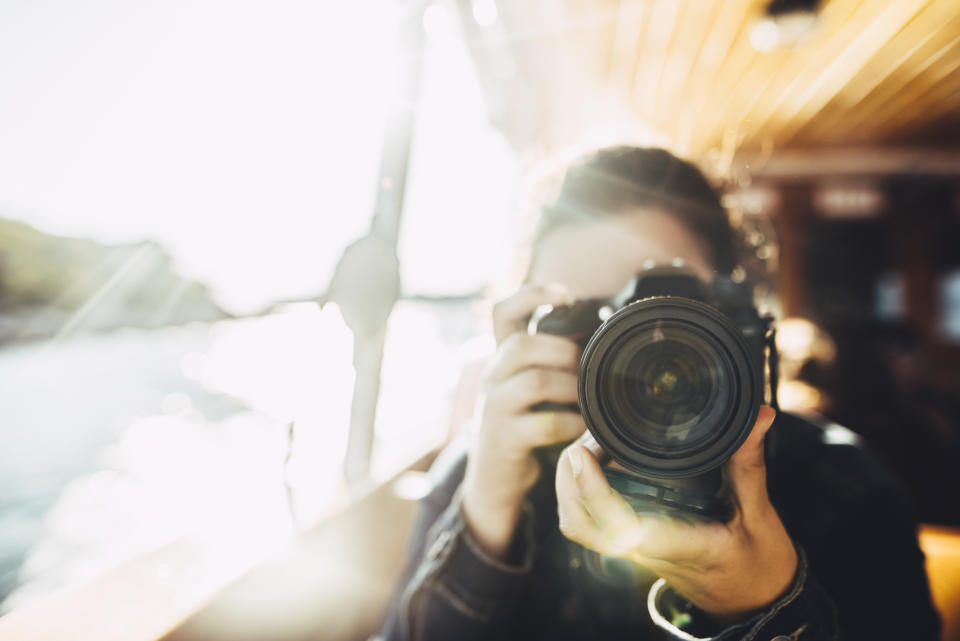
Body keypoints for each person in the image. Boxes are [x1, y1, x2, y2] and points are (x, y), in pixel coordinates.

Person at [378, 146, 941, 640]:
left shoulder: (845, 488)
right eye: (594, 321)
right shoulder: (486, 471)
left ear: (734, 320)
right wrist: (485, 512)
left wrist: (766, 608)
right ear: (532, 330)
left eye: (668, 315)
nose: (631, 351)